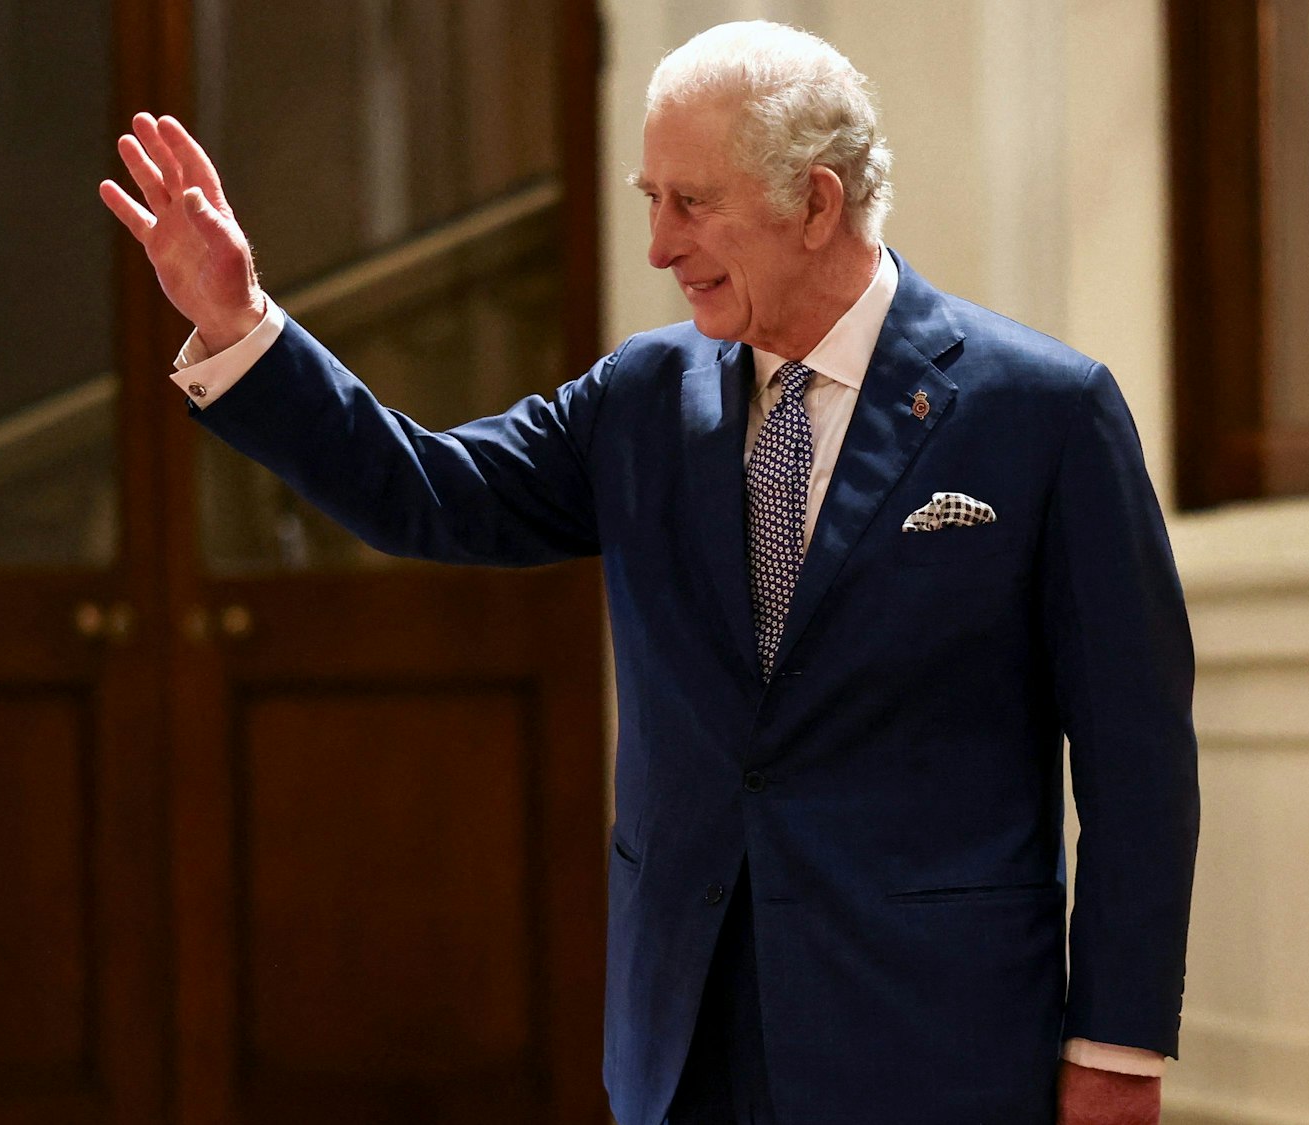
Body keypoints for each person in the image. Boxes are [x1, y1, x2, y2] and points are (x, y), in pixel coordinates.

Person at [100, 20, 1198, 1125]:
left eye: (691, 202)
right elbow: (425, 491)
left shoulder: (1042, 413)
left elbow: (1135, 762)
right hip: (683, 1036)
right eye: (649, 198)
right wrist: (238, 325)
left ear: (815, 205)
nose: (657, 246)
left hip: (930, 1036)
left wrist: (1116, 1047)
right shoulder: (639, 399)